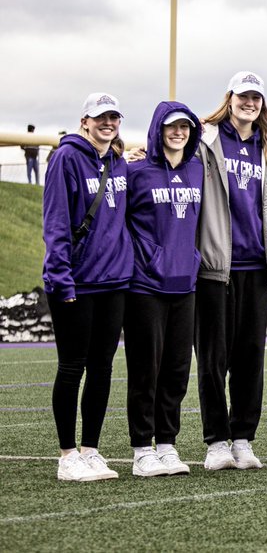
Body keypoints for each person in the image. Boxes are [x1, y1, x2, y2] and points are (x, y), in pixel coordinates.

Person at [195, 71, 267, 471]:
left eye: (256, 98)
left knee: (251, 357)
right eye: (243, 96)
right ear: (230, 98)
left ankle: (243, 437)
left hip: (257, 263)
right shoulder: (207, 139)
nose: (249, 103)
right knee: (213, 358)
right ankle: (216, 440)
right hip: (216, 265)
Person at [43, 93, 132, 481]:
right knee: (71, 366)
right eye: (100, 118)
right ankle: (67, 455)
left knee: (102, 368)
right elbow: (57, 222)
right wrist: (61, 278)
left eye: (113, 118)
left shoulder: (118, 162)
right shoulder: (66, 157)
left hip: (113, 281)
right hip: (76, 281)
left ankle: (91, 450)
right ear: (84, 121)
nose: (107, 124)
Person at [123, 101, 203, 477]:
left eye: (185, 127)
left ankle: (167, 444)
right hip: (145, 286)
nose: (179, 132)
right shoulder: (135, 171)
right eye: (172, 126)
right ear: (158, 129)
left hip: (184, 283)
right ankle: (142, 448)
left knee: (176, 369)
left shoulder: (197, 170)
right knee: (145, 369)